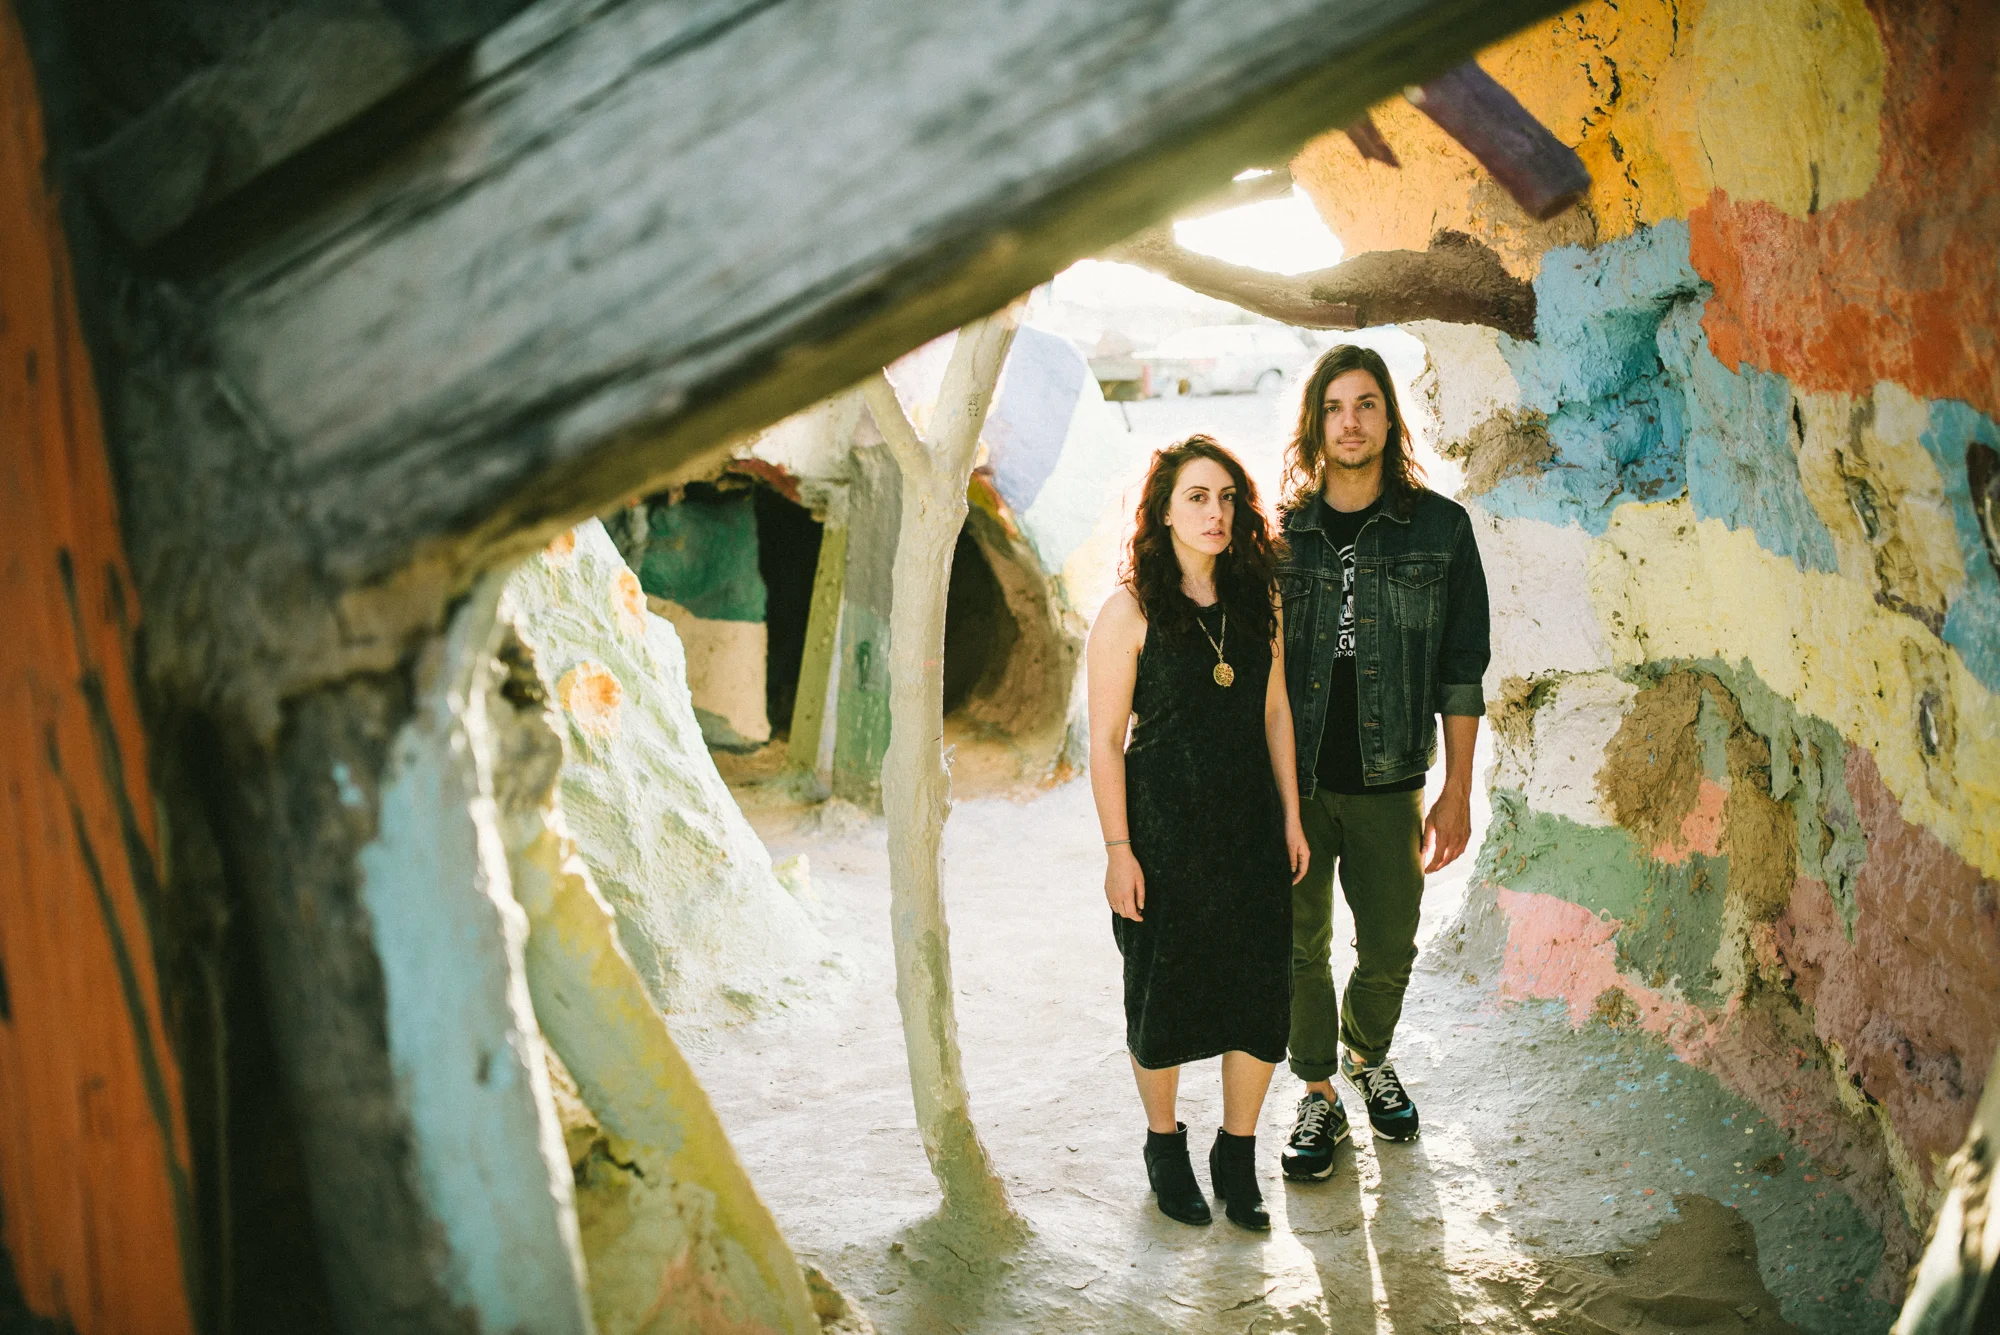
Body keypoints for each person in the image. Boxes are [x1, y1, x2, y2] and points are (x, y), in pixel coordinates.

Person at [1273, 344, 1490, 1182]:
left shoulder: (1441, 528)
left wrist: (1456, 790)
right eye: (1334, 407)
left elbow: (1461, 668)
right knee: (1300, 943)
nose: (1350, 421)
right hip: (1296, 783)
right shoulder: (1280, 533)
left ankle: (1365, 1054)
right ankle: (1318, 1090)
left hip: (1391, 777)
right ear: (1315, 423)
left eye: (1366, 404)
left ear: (1389, 418)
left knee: (1390, 943)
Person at [1086, 435, 1311, 1231]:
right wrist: (1120, 852)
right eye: (1196, 497)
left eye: (1225, 497)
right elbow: (1105, 740)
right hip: (1163, 837)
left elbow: (1275, 710)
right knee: (1164, 999)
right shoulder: (1130, 611)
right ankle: (1165, 1146)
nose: (1214, 513)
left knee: (1257, 997)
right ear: (1163, 511)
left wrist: (1290, 813)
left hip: (1250, 828)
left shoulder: (1260, 602)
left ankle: (1236, 1154)